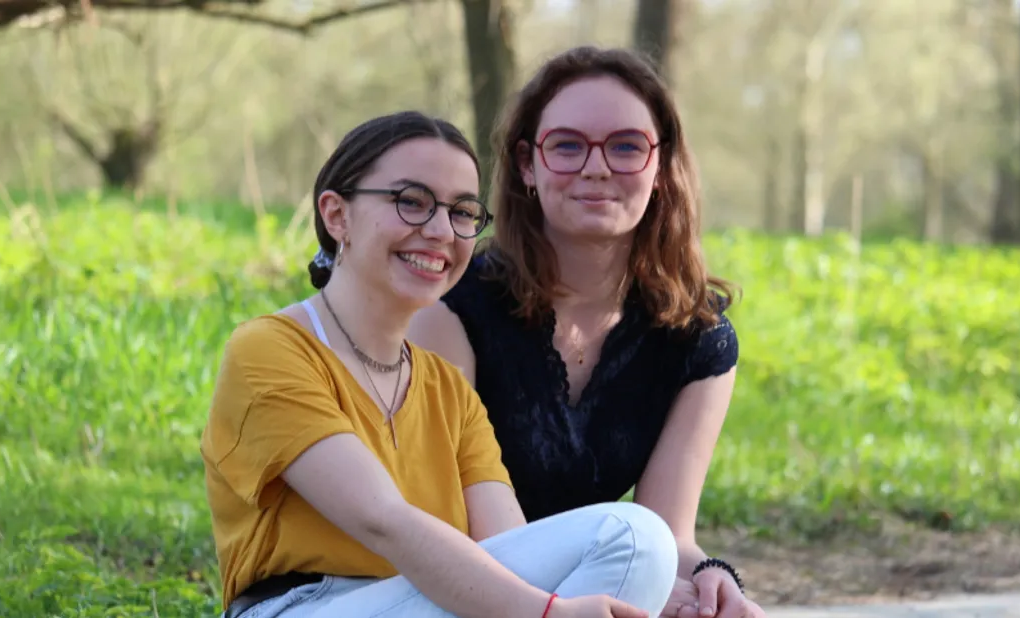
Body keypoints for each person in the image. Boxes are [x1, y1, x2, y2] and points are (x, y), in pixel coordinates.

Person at [200, 110, 682, 618]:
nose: (439, 230)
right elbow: (380, 518)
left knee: (641, 542)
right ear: (336, 214)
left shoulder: (449, 390)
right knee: (627, 536)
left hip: (437, 601)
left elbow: (510, 552)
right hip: (307, 605)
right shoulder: (270, 350)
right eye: (412, 202)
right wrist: (547, 614)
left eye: (462, 212)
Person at [407, 47, 767, 618]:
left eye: (626, 147)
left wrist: (709, 582)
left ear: (661, 166)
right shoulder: (452, 307)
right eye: (568, 146)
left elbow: (668, 535)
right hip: (449, 584)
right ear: (528, 164)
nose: (596, 168)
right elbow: (439, 522)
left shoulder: (698, 339)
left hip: (595, 583)